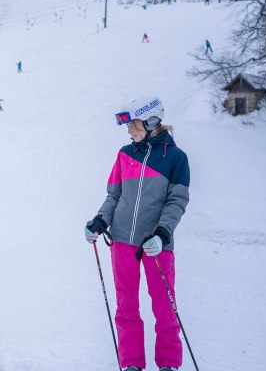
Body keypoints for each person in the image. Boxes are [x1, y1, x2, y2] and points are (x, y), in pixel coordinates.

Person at [85, 96, 190, 371]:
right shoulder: (125, 154)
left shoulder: (176, 159)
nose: (129, 131)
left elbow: (177, 201)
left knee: (164, 308)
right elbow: (113, 195)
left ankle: (168, 364)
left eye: (133, 125)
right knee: (126, 306)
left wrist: (162, 234)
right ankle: (131, 363)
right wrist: (100, 221)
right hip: (122, 241)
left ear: (152, 121)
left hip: (155, 243)